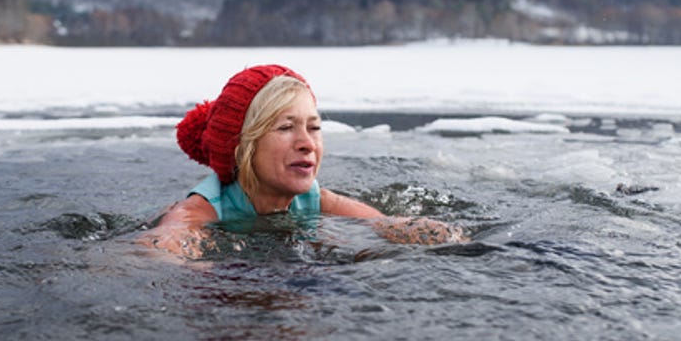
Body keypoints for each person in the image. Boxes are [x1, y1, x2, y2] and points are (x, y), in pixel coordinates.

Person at [144, 64, 466, 257]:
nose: (307, 143)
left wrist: (436, 234)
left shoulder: (314, 198)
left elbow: (384, 225)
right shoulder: (203, 208)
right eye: (286, 127)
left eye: (314, 127)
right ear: (243, 145)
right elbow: (162, 248)